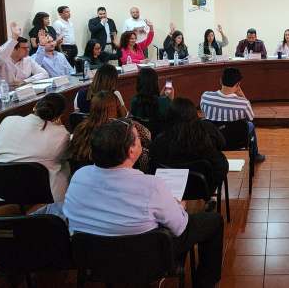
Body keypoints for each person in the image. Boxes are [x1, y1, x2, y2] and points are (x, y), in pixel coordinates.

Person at [63, 120, 224, 288]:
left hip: (94, 260)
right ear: (131, 150)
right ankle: (205, 282)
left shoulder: (79, 176)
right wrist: (179, 207)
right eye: (138, 138)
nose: (141, 140)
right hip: (147, 260)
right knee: (213, 221)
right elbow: (180, 228)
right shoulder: (152, 185)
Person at [0, 93, 70, 202]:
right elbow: (68, 155)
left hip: (0, 194)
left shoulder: (8, 120)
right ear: (58, 116)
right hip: (43, 199)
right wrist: (59, 128)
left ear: (35, 106)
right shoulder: (61, 134)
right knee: (65, 164)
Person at [151, 98, 229, 193]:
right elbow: (222, 144)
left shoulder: (161, 138)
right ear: (194, 112)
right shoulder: (207, 128)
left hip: (171, 187)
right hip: (206, 186)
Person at [70, 91, 150, 172]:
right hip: (117, 172)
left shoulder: (80, 128)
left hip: (88, 174)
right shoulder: (126, 128)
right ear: (116, 107)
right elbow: (148, 137)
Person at [199, 67, 265, 162]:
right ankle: (254, 155)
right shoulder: (243, 103)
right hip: (235, 141)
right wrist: (242, 96)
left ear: (220, 81)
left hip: (211, 139)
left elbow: (204, 113)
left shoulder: (206, 96)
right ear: (238, 84)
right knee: (250, 125)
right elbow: (251, 117)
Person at [0, 22, 49, 88]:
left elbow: (44, 74)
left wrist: (25, 81)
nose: (28, 50)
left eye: (28, 47)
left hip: (17, 94)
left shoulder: (27, 59)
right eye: (24, 48)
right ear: (13, 49)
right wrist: (14, 39)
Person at [130, 67, 174, 135]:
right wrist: (170, 100)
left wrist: (160, 97)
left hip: (141, 138)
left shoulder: (134, 100)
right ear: (155, 83)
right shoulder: (164, 102)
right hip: (159, 140)